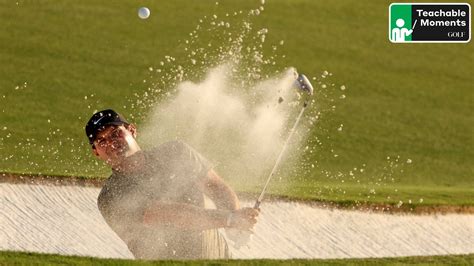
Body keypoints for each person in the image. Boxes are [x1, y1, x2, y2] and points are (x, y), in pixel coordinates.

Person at [85, 109, 259, 260]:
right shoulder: (111, 195)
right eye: (102, 141)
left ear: (132, 130)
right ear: (96, 152)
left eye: (116, 133)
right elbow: (170, 215)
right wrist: (229, 219)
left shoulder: (175, 152)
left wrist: (237, 220)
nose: (112, 142)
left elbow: (215, 186)